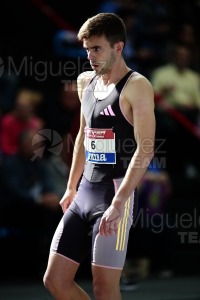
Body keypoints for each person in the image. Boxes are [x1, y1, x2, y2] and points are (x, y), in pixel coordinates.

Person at [43, 12, 155, 300]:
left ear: (118, 47)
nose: (90, 56)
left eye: (97, 48)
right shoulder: (85, 81)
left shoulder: (137, 86)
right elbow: (83, 135)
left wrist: (119, 203)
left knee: (105, 288)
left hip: (114, 194)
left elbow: (146, 148)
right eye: (87, 49)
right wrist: (70, 186)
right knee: (55, 280)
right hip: (84, 192)